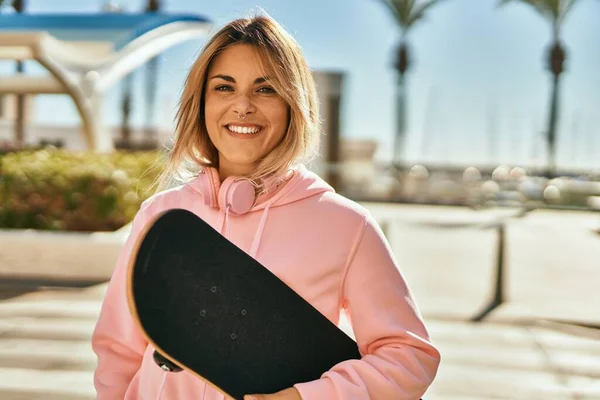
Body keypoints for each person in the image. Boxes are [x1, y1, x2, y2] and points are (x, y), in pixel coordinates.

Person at [92, 12, 440, 400]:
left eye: (265, 89)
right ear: (201, 101)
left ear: (293, 104)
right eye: (224, 87)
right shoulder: (161, 214)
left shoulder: (345, 224)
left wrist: (303, 398)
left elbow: (408, 357)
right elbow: (117, 352)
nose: (242, 106)